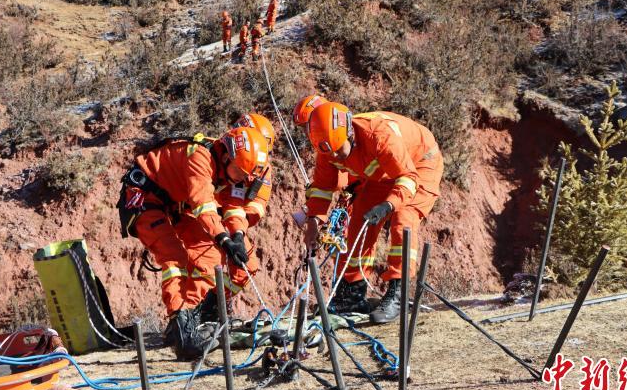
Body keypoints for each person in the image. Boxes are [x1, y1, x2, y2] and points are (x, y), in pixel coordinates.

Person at [117, 127, 270, 359]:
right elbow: (203, 205)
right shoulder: (199, 156)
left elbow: (232, 206)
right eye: (239, 172)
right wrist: (224, 238)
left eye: (245, 176)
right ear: (226, 156)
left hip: (177, 205)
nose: (241, 179)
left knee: (223, 261)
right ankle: (182, 332)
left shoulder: (234, 170)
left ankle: (199, 314)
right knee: (175, 259)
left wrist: (237, 235)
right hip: (145, 198)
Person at [301, 101, 444, 323]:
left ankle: (398, 292)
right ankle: (351, 293)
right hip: (383, 174)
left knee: (402, 218)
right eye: (333, 154)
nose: (338, 158)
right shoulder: (328, 150)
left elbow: (407, 177)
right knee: (358, 220)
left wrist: (388, 205)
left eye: (341, 151)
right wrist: (312, 223)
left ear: (350, 134)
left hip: (419, 164)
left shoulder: (378, 135)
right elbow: (321, 189)